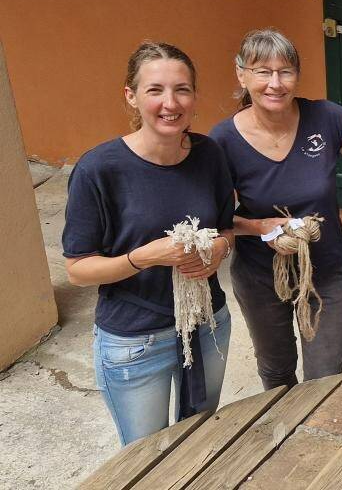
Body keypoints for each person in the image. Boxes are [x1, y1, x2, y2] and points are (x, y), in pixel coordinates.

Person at [210, 28, 342, 390]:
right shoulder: (223, 140)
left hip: (326, 270)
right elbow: (215, 218)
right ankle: (282, 438)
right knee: (276, 371)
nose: (275, 83)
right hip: (261, 277)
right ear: (241, 74)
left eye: (285, 71)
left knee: (325, 378)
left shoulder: (326, 118)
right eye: (262, 71)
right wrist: (261, 227)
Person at [63, 42, 235, 446]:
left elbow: (226, 229)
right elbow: (77, 269)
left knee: (199, 443)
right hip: (135, 342)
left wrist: (219, 250)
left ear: (194, 96)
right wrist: (142, 258)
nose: (170, 103)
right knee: (145, 459)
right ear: (132, 96)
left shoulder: (209, 154)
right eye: (155, 90)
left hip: (206, 324)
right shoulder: (99, 170)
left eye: (182, 89)